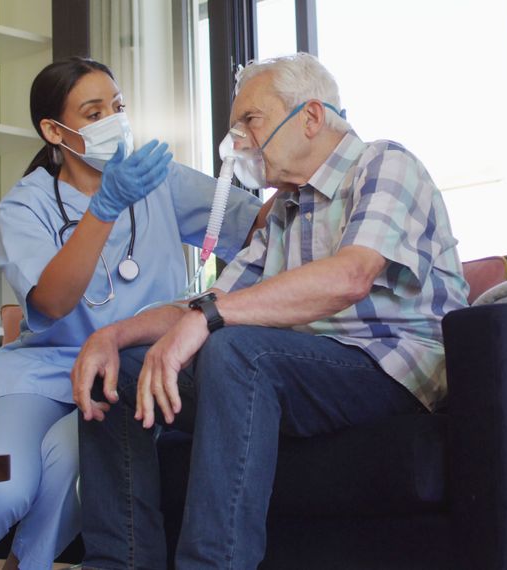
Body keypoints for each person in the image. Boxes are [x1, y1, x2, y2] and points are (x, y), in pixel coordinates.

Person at [72, 52, 469, 569]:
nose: (238, 141)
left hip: (391, 365)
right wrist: (112, 336)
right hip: (303, 364)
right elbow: (209, 303)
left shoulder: (384, 164)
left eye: (250, 121)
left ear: (310, 117)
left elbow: (351, 276)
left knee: (237, 351)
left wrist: (208, 321)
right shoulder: (285, 209)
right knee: (121, 371)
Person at [0, 57, 263, 570]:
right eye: (93, 111)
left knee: (70, 470)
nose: (113, 122)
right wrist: (104, 208)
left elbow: (257, 225)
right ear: (54, 130)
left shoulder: (159, 179)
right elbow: (52, 301)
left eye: (117, 107)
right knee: (0, 490)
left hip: (121, 378)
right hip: (40, 374)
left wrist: (286, 161)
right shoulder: (24, 207)